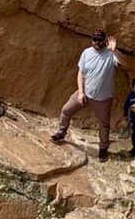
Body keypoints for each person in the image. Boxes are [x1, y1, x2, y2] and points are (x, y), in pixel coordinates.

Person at [51, 29, 123, 161]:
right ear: (91, 40)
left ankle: (103, 149)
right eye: (95, 40)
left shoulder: (110, 54)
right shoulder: (86, 53)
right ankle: (61, 133)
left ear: (104, 41)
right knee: (66, 110)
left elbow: (125, 63)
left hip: (103, 98)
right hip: (85, 93)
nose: (97, 42)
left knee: (104, 124)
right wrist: (81, 92)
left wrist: (114, 50)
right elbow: (81, 73)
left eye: (100, 40)